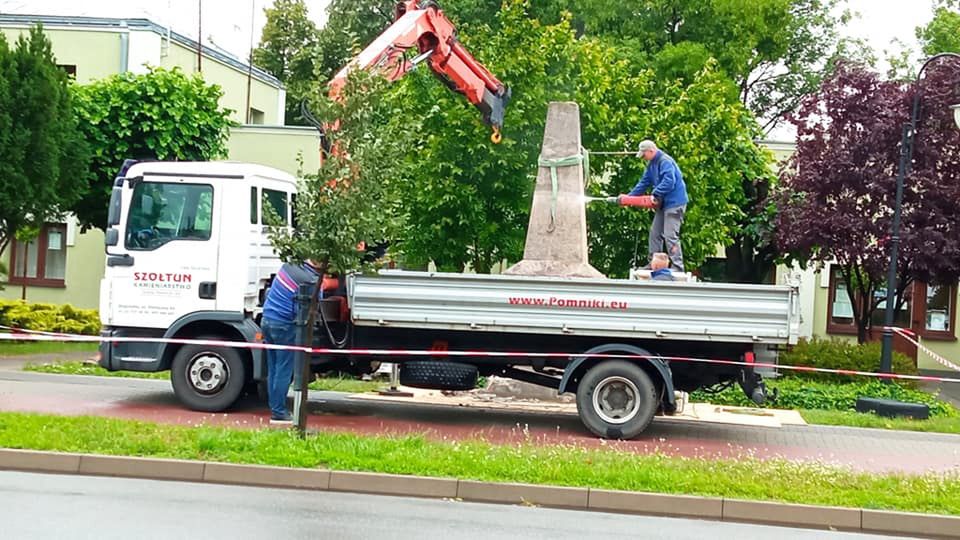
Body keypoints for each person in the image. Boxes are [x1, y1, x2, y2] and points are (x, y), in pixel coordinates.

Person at [260, 259, 322, 424]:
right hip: (285, 325)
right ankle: (279, 412)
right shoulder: (312, 280)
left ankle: (275, 407)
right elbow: (315, 303)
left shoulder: (290, 266)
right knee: (284, 369)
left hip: (267, 319)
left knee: (273, 368)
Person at [629, 140, 688, 271]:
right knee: (655, 234)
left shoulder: (664, 161)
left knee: (670, 235)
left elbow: (669, 181)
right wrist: (628, 198)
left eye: (644, 155)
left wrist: (655, 194)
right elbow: (643, 183)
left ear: (651, 151)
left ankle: (678, 267)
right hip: (664, 205)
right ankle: (653, 264)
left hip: (675, 204)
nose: (643, 158)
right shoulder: (651, 165)